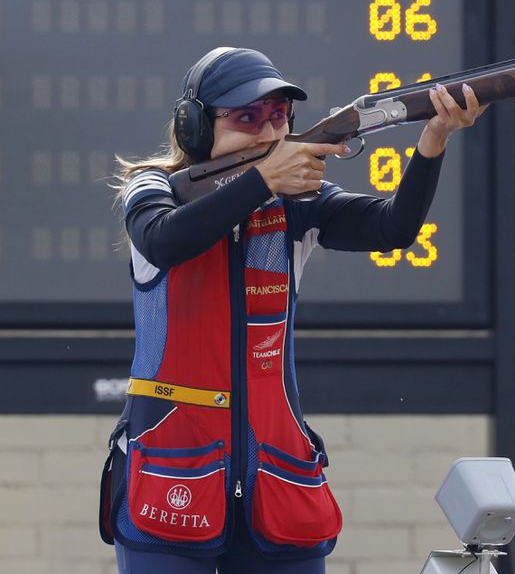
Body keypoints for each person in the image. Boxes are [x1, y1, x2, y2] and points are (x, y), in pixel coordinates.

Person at [98, 47, 487, 574]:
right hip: (169, 472)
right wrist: (264, 180)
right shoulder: (154, 188)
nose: (267, 133)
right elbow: (165, 241)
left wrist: (433, 139)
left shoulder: (297, 203)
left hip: (275, 478)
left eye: (278, 117)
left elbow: (393, 228)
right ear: (193, 128)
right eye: (246, 118)